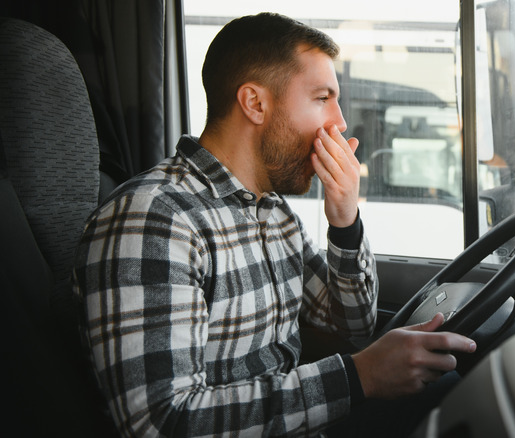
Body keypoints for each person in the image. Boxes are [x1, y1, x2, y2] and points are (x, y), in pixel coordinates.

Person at [73, 12, 476, 437]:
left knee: (452, 389)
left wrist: (345, 221)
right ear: (255, 103)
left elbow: (353, 327)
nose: (338, 122)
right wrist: (358, 378)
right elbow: (163, 423)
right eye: (323, 98)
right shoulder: (153, 220)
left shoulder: (274, 212)